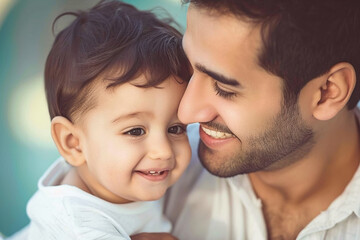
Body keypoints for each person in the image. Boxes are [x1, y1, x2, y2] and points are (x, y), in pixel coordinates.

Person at [134, 0, 360, 239]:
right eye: (188, 71)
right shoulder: (153, 169)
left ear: (327, 92)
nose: (186, 113)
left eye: (224, 88)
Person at [18, 1, 192, 239]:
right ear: (73, 143)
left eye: (176, 128)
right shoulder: (80, 227)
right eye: (135, 131)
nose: (163, 151)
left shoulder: (111, 180)